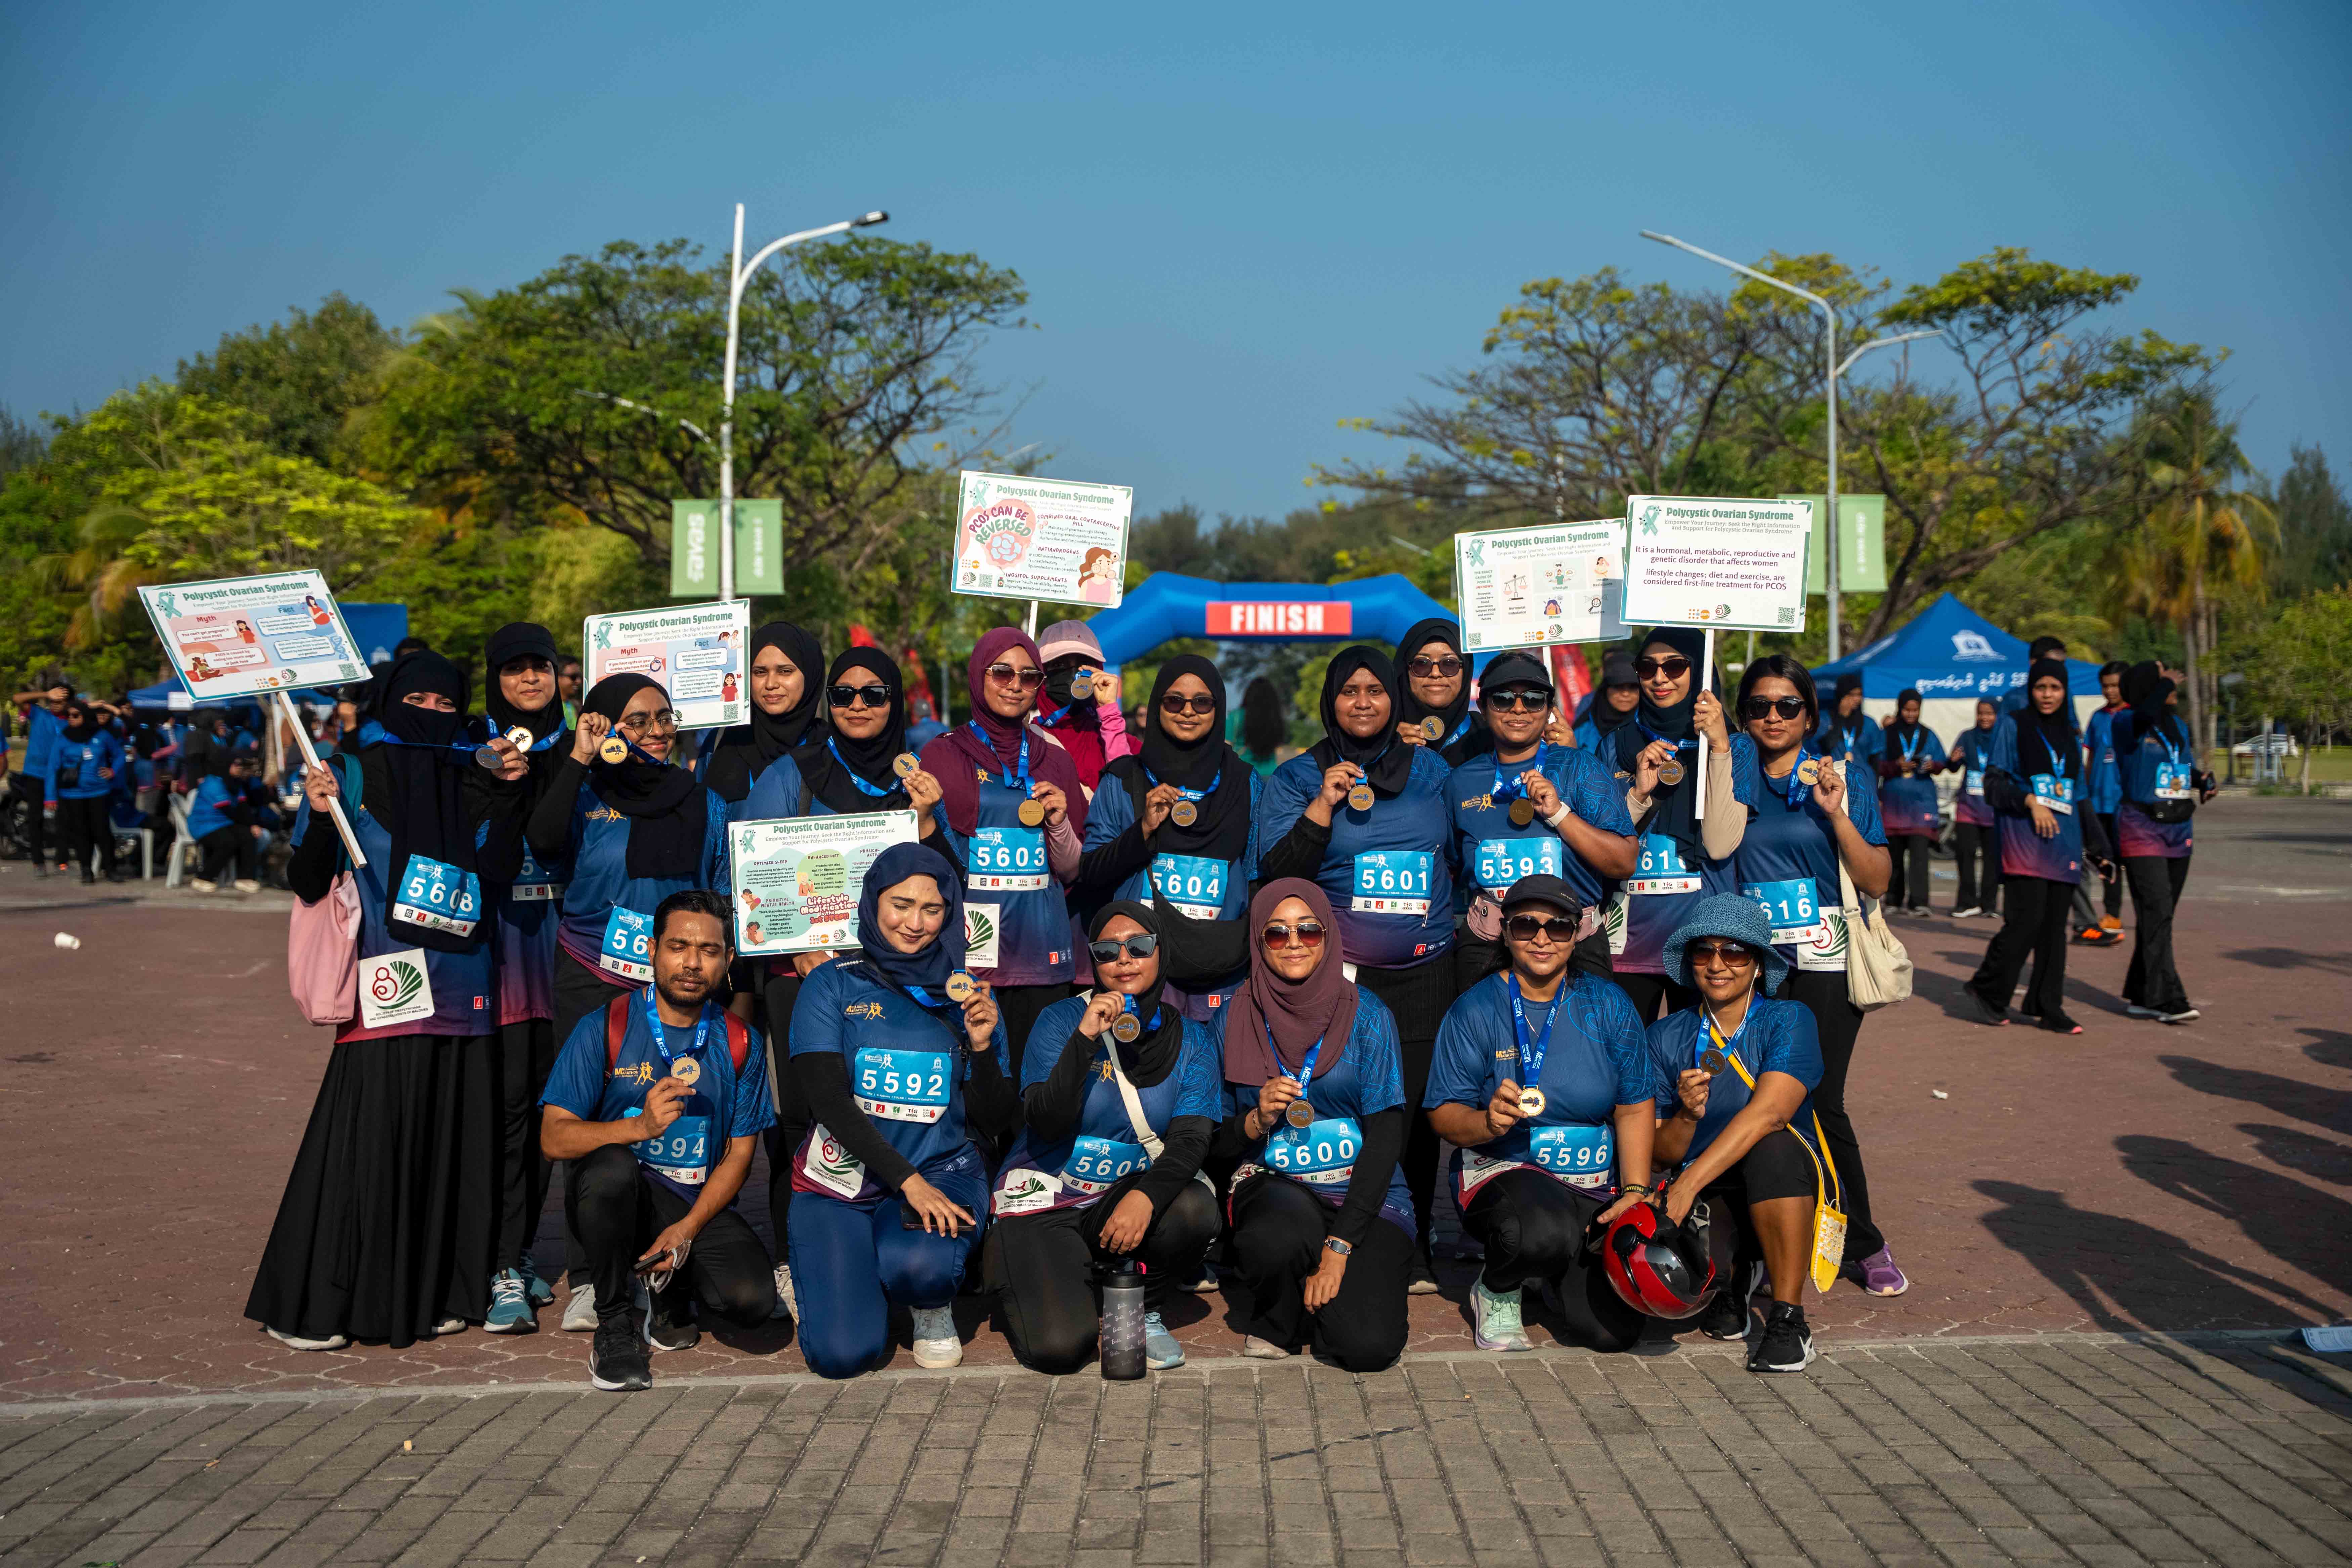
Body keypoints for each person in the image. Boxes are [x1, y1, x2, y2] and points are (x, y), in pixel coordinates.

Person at [247, 651, 531, 1350]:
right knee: (368, 1148)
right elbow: (307, 881)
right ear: (388, 702)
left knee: (447, 1151)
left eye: (446, 704)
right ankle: (323, 1303)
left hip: (465, 986)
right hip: (389, 986)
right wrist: (321, 817)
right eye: (418, 702)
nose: (432, 714)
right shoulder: (344, 772)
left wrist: (508, 795)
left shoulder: (475, 772)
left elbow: (498, 870)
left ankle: (434, 1294)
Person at [736, 646, 949, 1307]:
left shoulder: (915, 778)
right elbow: (747, 875)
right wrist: (797, 945)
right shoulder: (791, 774)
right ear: (827, 702)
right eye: (844, 693)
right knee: (802, 1117)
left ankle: (895, 1244)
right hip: (803, 976)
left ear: (895, 702)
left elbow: (947, 885)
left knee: (889, 1108)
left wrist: (928, 822)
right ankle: (797, 1254)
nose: (858, 704)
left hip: (896, 982)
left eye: (874, 693)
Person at [527, 673, 729, 1326]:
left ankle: (664, 1257)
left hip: (674, 984)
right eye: (637, 720)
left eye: (664, 717)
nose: (655, 731)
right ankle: (592, 1275)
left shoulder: (702, 799)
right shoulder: (585, 792)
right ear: (606, 724)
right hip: (591, 973)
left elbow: (719, 890)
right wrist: (578, 757)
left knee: (674, 1116)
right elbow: (543, 841)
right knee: (589, 1117)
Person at [1256, 647, 1455, 1291]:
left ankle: (1413, 1239)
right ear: (1330, 700)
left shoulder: (1432, 769)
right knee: (1347, 1105)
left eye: (1375, 689)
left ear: (1395, 698)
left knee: (1413, 1114)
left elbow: (1459, 852)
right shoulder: (1297, 776)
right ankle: (1327, 1223)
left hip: (1425, 973)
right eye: (1349, 691)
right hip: (1341, 981)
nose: (1363, 701)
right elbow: (1276, 876)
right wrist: (1322, 805)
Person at [785, 844, 1016, 1377]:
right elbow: (827, 1100)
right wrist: (906, 1180)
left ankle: (929, 1303)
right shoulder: (831, 981)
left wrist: (982, 1047)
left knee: (919, 1265)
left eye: (932, 909)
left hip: (941, 1170)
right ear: (873, 901)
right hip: (841, 1179)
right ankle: (839, 1274)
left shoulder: (967, 995)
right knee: (843, 1356)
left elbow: (995, 1118)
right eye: (901, 904)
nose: (915, 922)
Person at [538, 890, 777, 1391]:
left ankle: (668, 1287)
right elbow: (554, 1138)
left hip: (691, 1204)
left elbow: (740, 1153)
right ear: (652, 950)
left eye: (709, 950)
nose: (692, 963)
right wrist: (638, 1128)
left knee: (750, 1301)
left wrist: (688, 1228)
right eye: (678, 946)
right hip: (613, 1199)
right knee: (611, 1170)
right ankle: (614, 1324)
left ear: (728, 959)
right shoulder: (604, 1025)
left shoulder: (741, 1041)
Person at [1731, 655, 1906, 1296]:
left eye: (1788, 705)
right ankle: (1764, 1244)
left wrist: (1836, 814)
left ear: (1809, 714)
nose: (1773, 717)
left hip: (1827, 961)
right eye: (1759, 705)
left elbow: (1878, 880)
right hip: (1753, 968)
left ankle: (1862, 1241)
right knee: (1756, 1105)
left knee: (1820, 1101)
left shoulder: (1844, 776)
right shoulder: (1728, 777)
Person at [1423, 876, 1656, 1353]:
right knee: (1541, 1229)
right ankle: (1497, 1287)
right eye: (1526, 925)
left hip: (1591, 1184)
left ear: (1577, 933)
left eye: (1559, 927)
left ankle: (1548, 1274)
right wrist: (1487, 1122)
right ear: (1505, 932)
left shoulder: (1609, 1003)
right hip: (1506, 1173)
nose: (1542, 938)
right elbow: (1443, 1113)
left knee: (1613, 1333)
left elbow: (1634, 1105)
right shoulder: (1474, 1008)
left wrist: (1634, 1191)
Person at [989, 902, 1224, 1373]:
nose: (1124, 959)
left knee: (1193, 1206)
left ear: (1161, 951)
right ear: (1093, 961)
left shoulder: (1193, 1038)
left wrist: (1145, 1196)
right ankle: (1045, 1274)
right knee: (1060, 1349)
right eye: (1106, 950)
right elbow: (1045, 1121)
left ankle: (1144, 1307)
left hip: (1118, 1200)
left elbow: (1191, 1139)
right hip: (1045, 1199)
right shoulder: (1060, 1020)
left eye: (1139, 946)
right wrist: (1085, 1039)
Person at [1212, 879, 1414, 1369]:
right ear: (1258, 941)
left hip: (1363, 1192)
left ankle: (1323, 1292)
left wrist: (1339, 1246)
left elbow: (1386, 1136)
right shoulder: (1233, 1015)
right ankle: (1277, 1315)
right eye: (1276, 933)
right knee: (1273, 1238)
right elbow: (1211, 1140)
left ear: (1328, 936)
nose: (1294, 942)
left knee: (1367, 1347)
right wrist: (1256, 1120)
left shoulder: (1368, 1013)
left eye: (1308, 930)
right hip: (1275, 1184)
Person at [1646, 896, 1831, 1373]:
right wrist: (1687, 1116)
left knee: (1773, 1149)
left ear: (1758, 965)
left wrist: (1685, 1186)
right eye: (1704, 950)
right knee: (1666, 1294)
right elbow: (1661, 1154)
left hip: (1779, 1177)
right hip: (1708, 1182)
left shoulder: (1788, 1018)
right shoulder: (1664, 1036)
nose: (1717, 964)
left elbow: (1770, 1113)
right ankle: (1734, 1278)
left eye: (1734, 951)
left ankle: (1789, 1319)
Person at [917, 629, 1089, 1085]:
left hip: (1041, 957)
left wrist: (1059, 824)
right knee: (979, 1089)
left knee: (1037, 1091)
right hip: (969, 957)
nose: (1015, 684)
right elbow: (924, 862)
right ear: (979, 675)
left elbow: (1073, 869)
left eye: (1029, 676)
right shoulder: (941, 754)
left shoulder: (1055, 759)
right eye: (1002, 672)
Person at [466, 623, 572, 1332]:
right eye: (514, 668)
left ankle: (527, 1250)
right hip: (501, 957)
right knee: (508, 1113)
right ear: (494, 678)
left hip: (571, 955)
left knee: (554, 1111)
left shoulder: (584, 746)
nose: (530, 678)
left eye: (540, 665)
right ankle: (501, 1262)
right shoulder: (472, 748)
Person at [1445, 650, 1636, 989]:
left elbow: (1623, 862)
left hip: (1573, 945)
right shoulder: (1461, 780)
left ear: (1549, 708)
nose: (1518, 709)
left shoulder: (1580, 767)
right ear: (1483, 706)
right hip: (1487, 947)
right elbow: (1450, 863)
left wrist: (1559, 814)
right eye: (1503, 699)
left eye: (1533, 699)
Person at [1078, 656, 1260, 999]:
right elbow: (1090, 873)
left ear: (1218, 708)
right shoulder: (1122, 780)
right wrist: (1143, 831)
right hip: (1138, 968)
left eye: (1202, 702)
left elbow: (1257, 876)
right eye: (1175, 701)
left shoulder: (1247, 783)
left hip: (1221, 971)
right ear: (1156, 705)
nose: (1188, 711)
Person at [1601, 629, 1756, 1022]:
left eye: (1674, 666)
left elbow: (1720, 844)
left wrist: (1718, 749)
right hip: (1630, 941)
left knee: (1698, 1058)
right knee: (1627, 1056)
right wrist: (1638, 794)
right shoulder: (1614, 745)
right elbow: (1603, 844)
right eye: (1647, 667)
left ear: (1700, 672)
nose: (1659, 678)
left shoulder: (1737, 747)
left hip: (1705, 944)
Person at [1958, 659, 2117, 1034]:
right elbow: (1993, 784)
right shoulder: (2013, 724)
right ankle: (1987, 987)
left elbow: (2080, 797)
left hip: (2063, 845)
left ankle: (2048, 1006)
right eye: (2040, 687)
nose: (2047, 695)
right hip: (2023, 842)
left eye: (2055, 688)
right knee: (2025, 922)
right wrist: (2029, 800)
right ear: (2030, 690)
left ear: (2065, 692)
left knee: (2054, 931)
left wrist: (2101, 848)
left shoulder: (2069, 734)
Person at [2110, 662, 2214, 1025]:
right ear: (2146, 687)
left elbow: (2180, 767)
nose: (2173, 684)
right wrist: (2163, 684)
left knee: (2160, 915)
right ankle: (2168, 998)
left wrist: (2202, 780)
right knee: (2156, 911)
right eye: (2163, 679)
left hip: (2178, 827)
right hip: (2141, 827)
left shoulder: (2178, 725)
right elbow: (2143, 716)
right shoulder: (2126, 722)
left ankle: (2142, 994)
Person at [702, 621, 825, 809]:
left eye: (785, 671)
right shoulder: (720, 742)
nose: (771, 684)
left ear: (810, 675)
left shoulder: (832, 750)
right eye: (760, 672)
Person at [1033, 620, 1133, 792]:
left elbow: (1126, 792)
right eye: (1059, 664)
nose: (1074, 674)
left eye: (1084, 664)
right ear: (1042, 675)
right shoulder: (1027, 741)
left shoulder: (1127, 743)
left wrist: (1109, 712)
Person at [1876, 688, 1946, 915]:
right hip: (1893, 805)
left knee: (1919, 856)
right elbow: (1875, 764)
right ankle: (1894, 900)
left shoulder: (1928, 734)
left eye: (1915, 710)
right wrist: (1896, 766)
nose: (1911, 714)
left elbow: (1941, 762)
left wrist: (1932, 766)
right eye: (1907, 710)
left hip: (1921, 804)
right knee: (1894, 856)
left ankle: (1919, 902)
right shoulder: (1887, 734)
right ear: (1900, 708)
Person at [44, 697, 125, 884]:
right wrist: (50, 798)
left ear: (86, 716)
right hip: (72, 795)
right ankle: (86, 870)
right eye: (68, 716)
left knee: (102, 831)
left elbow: (120, 755)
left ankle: (110, 869)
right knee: (81, 833)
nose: (71, 719)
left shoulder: (102, 736)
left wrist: (113, 771)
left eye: (75, 715)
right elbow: (52, 769)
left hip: (99, 792)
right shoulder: (63, 738)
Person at [1392, 617, 1491, 765]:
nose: (1436, 673)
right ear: (1406, 671)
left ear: (1466, 671)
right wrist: (1383, 752)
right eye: (1422, 664)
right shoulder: (1380, 733)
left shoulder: (1490, 736)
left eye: (1450, 664)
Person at [2082, 660, 2131, 934]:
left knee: (2131, 861)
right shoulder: (2097, 717)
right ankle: (2112, 914)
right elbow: (2090, 758)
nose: (2110, 691)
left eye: (2115, 685)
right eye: (2105, 686)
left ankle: (2149, 911)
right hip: (2098, 802)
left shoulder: (2135, 716)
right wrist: (2086, 792)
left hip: (2126, 804)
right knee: (2105, 860)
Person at [1949, 699, 2002, 919]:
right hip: (1968, 809)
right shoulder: (1967, 736)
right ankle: (1966, 902)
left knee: (1992, 859)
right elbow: (1953, 767)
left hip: (1995, 810)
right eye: (1981, 713)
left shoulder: (2002, 738)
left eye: (1989, 714)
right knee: (1965, 855)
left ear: (1997, 715)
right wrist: (1953, 761)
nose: (1984, 718)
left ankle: (1989, 905)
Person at [7, 680, 66, 874]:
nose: (56, 704)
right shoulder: (40, 714)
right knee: (36, 818)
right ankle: (38, 862)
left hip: (59, 776)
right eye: (54, 701)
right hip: (35, 774)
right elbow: (17, 698)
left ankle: (61, 860)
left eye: (60, 701)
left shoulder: (71, 721)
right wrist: (46, 694)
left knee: (64, 818)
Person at [186, 748, 265, 891]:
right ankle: (203, 878)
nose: (240, 768)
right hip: (204, 825)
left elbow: (243, 807)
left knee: (248, 836)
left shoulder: (235, 783)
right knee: (227, 842)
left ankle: (245, 878)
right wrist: (249, 824)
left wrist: (253, 825)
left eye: (241, 765)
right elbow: (229, 811)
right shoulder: (212, 783)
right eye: (236, 764)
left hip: (225, 824)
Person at [1814, 674, 1884, 799]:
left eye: (1859, 695)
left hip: (1864, 783)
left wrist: (1877, 792)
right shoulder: (1825, 720)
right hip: (1834, 781)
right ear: (1842, 695)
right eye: (1852, 695)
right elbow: (1826, 746)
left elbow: (1875, 761)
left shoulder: (1869, 723)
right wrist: (1841, 718)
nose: (1856, 699)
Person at [1571, 650, 1641, 753]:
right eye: (1618, 686)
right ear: (1606, 688)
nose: (1626, 694)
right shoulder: (1584, 732)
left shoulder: (1652, 727)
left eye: (1633, 687)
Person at [1234, 675, 1288, 777]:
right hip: (1271, 775)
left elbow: (1225, 747)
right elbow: (1278, 748)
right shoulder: (1275, 718)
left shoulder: (1237, 717)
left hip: (1242, 775)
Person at [557, 656, 583, 729]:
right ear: (557, 677)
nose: (579, 681)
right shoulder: (551, 710)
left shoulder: (576, 705)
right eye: (574, 677)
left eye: (580, 677)